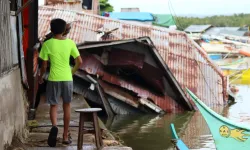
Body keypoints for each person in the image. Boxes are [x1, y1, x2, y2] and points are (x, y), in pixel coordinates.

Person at [38, 18, 82, 147]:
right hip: (67, 78)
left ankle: (54, 127)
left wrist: (41, 76)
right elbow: (80, 62)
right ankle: (65, 136)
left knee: (54, 105)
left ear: (51, 30)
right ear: (64, 30)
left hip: (53, 79)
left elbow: (44, 65)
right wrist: (71, 72)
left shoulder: (47, 44)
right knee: (67, 105)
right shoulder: (70, 43)